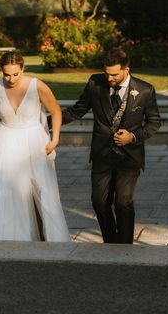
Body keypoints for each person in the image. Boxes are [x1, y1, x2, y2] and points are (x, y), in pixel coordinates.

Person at [61, 48, 161, 244]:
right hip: (102, 154)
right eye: (106, 73)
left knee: (123, 203)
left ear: (127, 69)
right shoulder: (94, 83)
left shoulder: (145, 90)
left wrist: (132, 136)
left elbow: (154, 122)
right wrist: (44, 122)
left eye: (114, 74)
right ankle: (110, 243)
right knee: (99, 203)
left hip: (129, 156)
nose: (109, 78)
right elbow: (77, 111)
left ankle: (124, 246)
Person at [0, 51, 69, 242]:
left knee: (42, 191)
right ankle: (8, 241)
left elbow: (56, 111)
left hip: (35, 143)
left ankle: (49, 239)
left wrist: (55, 138)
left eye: (15, 74)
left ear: (23, 68)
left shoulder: (37, 85)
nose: (10, 79)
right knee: (5, 189)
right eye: (6, 74)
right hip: (5, 141)